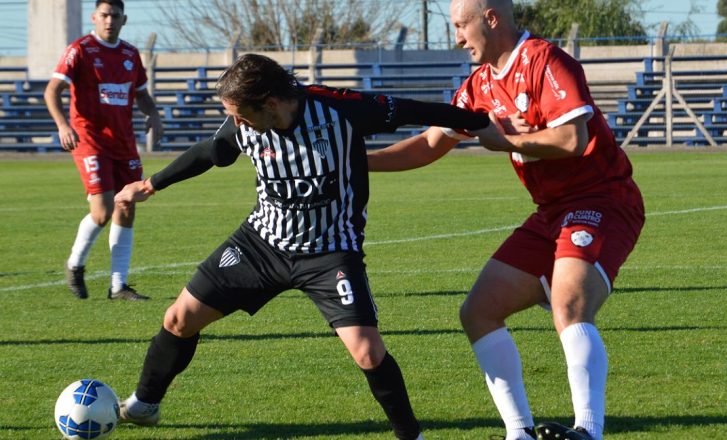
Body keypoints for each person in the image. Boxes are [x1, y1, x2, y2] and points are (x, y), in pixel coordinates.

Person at [113, 53, 489, 439]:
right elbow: (209, 152)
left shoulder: (340, 110)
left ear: (270, 103)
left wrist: (483, 121)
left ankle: (412, 436)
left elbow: (413, 110)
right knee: (179, 318)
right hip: (262, 244)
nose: (236, 125)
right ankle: (144, 404)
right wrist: (151, 184)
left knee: (367, 351)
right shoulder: (244, 125)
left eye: (241, 116)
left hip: (330, 251)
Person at [367, 1, 645, 439]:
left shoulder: (546, 61)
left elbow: (573, 139)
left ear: (491, 18)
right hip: (551, 213)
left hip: (602, 200)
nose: (457, 38)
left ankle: (587, 432)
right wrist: (357, 163)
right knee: (479, 312)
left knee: (569, 305)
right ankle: (520, 433)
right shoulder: (479, 86)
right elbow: (429, 143)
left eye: (461, 26)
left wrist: (506, 140)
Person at [44, 0, 163, 301]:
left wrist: (153, 114)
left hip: (123, 142)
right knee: (102, 212)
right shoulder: (81, 50)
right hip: (90, 139)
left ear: (124, 20)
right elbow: (52, 91)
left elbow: (142, 94)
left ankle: (118, 286)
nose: (110, 20)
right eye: (105, 15)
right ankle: (75, 264)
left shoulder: (130, 54)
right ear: (94, 17)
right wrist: (63, 125)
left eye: (115, 16)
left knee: (127, 205)